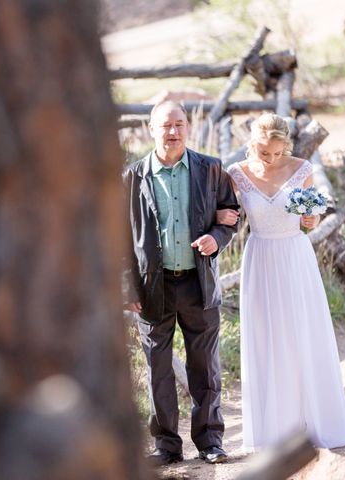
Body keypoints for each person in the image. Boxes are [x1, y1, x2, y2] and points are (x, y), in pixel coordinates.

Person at [218, 113, 345, 451]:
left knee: (302, 334)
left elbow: (308, 222)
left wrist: (310, 219)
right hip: (260, 257)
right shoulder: (237, 174)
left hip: (295, 258)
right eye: (264, 153)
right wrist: (222, 216)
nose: (271, 159)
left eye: (277, 153)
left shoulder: (302, 170)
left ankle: (311, 421)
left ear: (287, 145)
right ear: (253, 145)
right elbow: (226, 214)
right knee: (267, 335)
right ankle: (276, 429)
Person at [122, 100, 239, 466]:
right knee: (158, 370)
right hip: (150, 288)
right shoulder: (131, 177)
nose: (173, 131)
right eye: (166, 125)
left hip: (198, 283)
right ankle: (166, 448)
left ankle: (210, 442)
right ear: (151, 128)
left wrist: (217, 238)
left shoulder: (210, 169)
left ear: (188, 128)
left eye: (180, 124)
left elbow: (231, 216)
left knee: (204, 366)